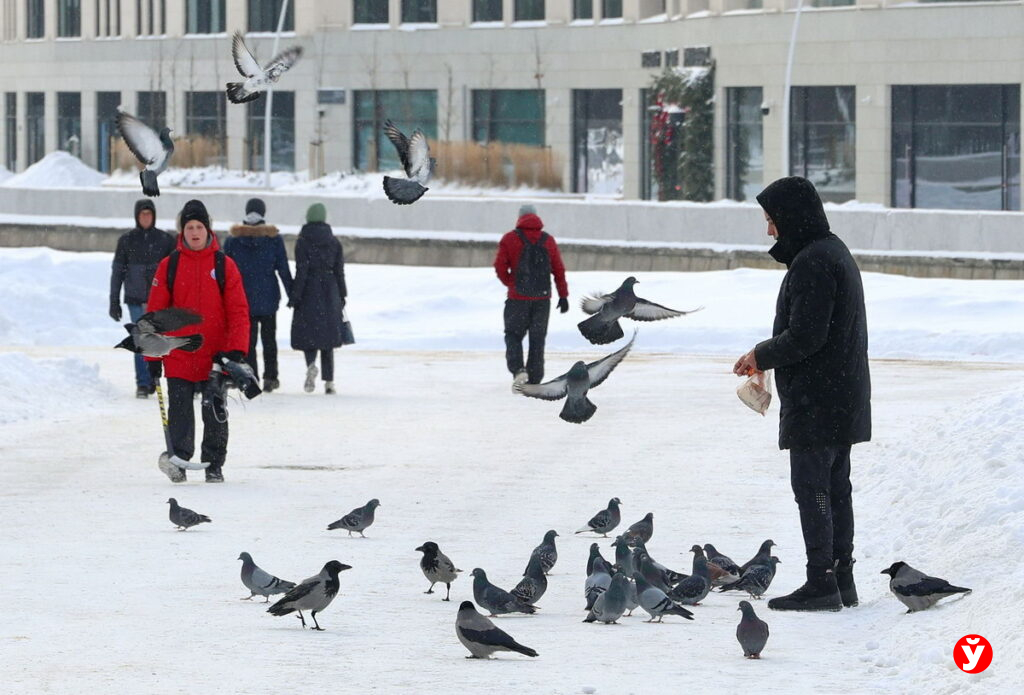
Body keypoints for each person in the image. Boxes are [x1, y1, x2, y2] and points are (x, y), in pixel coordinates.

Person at [733, 176, 871, 612]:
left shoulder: (813, 262)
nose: (769, 231)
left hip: (818, 400)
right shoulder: (832, 252)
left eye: (772, 220)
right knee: (835, 489)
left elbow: (806, 336)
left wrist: (760, 354)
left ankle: (821, 583)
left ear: (792, 218)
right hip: (838, 395)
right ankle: (840, 580)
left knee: (813, 490)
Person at [146, 199, 250, 483]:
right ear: (182, 231)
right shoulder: (170, 265)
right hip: (179, 353)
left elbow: (239, 312)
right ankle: (178, 460)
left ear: (208, 230)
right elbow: (155, 315)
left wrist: (236, 350)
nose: (194, 232)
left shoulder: (224, 265)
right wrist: (152, 357)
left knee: (214, 410)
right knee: (179, 410)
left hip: (214, 356)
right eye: (189, 227)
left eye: (199, 227)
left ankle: (214, 463)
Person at [493, 204, 569, 391]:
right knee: (537, 338)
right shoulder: (548, 240)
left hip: (517, 299)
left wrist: (512, 283)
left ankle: (519, 370)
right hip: (542, 300)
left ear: (519, 218)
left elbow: (500, 266)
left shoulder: (510, 239)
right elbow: (558, 269)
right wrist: (563, 295)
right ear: (536, 218)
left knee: (513, 335)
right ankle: (534, 379)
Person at [224, 198, 294, 393]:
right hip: (269, 298)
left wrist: (223, 296)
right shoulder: (273, 239)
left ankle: (252, 375)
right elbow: (283, 269)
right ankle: (271, 377)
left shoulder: (233, 240)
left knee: (249, 342)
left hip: (243, 300)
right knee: (269, 340)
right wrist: (292, 294)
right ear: (263, 213)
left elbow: (225, 272)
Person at [108, 199, 176, 398]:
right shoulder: (127, 240)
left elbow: (173, 271)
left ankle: (155, 376)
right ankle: (143, 383)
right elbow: (117, 272)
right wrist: (114, 300)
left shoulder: (164, 240)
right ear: (137, 216)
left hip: (159, 300)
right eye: (142, 214)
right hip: (136, 298)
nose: (146, 218)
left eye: (149, 214)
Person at [289, 203, 346, 395]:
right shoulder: (334, 242)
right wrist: (342, 294)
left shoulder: (302, 242)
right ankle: (329, 382)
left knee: (309, 335)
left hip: (309, 291)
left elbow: (301, 270)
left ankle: (311, 365)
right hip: (330, 290)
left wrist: (295, 296)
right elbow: (340, 271)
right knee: (328, 338)